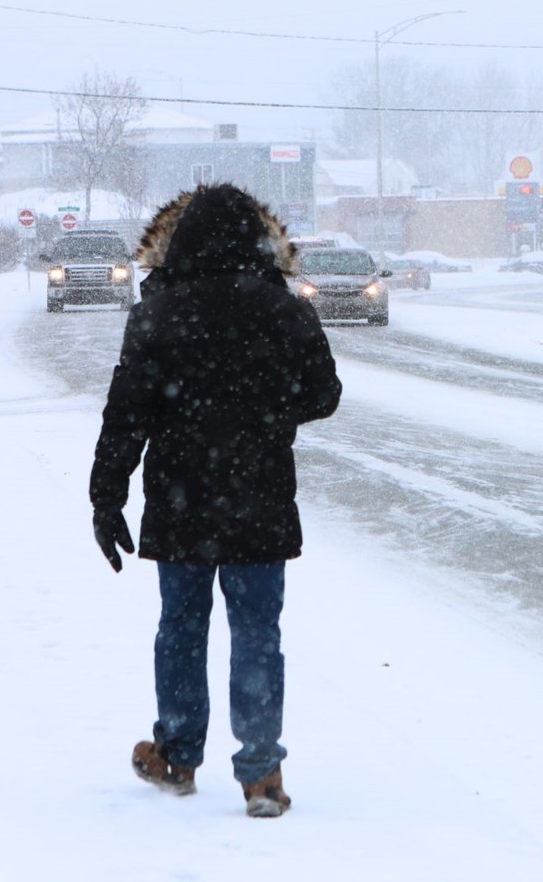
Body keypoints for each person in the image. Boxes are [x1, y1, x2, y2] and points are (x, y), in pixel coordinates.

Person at [89, 183, 342, 818]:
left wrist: (106, 497)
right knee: (258, 631)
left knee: (182, 628)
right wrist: (262, 414)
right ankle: (263, 773)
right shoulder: (286, 310)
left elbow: (126, 415)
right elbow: (324, 394)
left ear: (183, 241)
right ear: (260, 242)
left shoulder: (158, 312)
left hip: (180, 499)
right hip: (260, 495)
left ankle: (176, 756)